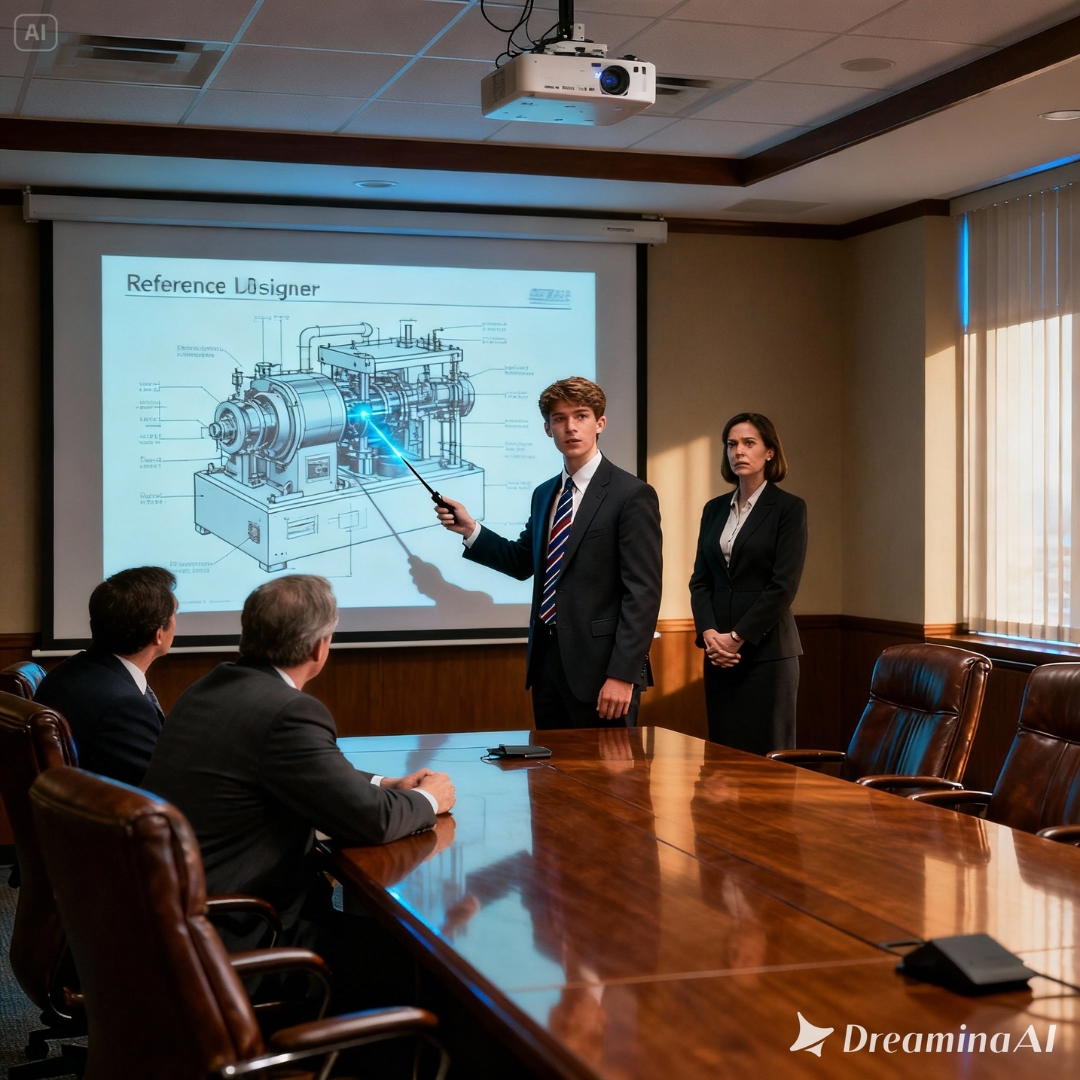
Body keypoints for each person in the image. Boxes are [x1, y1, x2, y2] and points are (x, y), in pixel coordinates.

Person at [144, 574, 455, 953]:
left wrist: (383, 784)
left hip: (179, 921)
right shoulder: (288, 711)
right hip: (247, 933)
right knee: (414, 951)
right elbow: (372, 821)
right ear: (318, 648)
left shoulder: (208, 688)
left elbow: (291, 769)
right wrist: (429, 799)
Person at [435, 377, 662, 729]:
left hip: (604, 672)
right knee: (550, 765)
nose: (570, 427)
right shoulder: (545, 494)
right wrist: (470, 529)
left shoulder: (631, 494)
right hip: (546, 666)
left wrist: (623, 674)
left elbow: (643, 594)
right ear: (547, 429)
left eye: (581, 416)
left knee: (610, 766)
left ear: (600, 423)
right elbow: (522, 561)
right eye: (559, 419)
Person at [689, 413, 807, 754]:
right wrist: (710, 634)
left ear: (770, 452)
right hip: (719, 655)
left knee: (769, 759)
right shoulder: (714, 509)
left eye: (748, 443)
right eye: (731, 444)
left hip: (768, 654)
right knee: (722, 760)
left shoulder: (789, 508)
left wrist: (736, 637)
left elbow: (783, 586)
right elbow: (700, 581)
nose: (738, 451)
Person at [35, 566, 176, 785]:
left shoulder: (75, 669)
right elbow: (160, 786)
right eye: (175, 614)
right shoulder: (124, 706)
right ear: (158, 633)